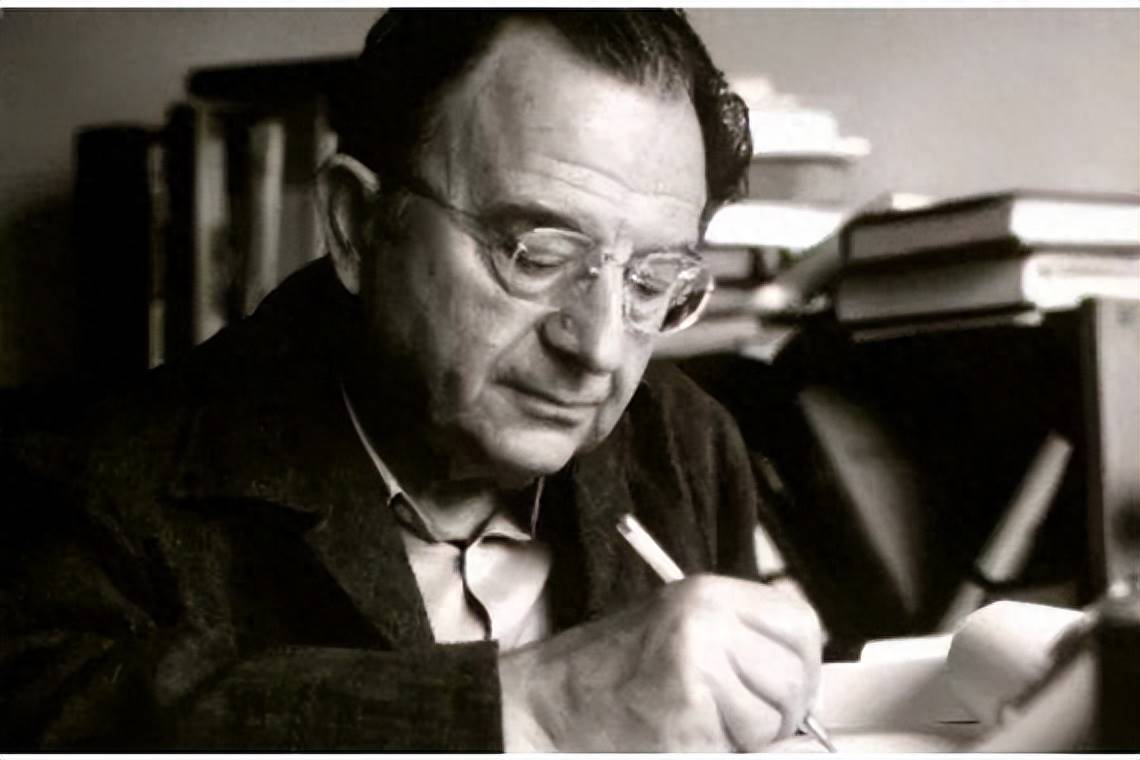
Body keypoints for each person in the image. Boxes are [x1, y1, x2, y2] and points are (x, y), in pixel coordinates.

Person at [0, 9, 822, 751]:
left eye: (652, 281)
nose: (601, 348)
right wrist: (528, 709)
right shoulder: (92, 490)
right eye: (537, 255)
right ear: (358, 225)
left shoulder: (684, 445)